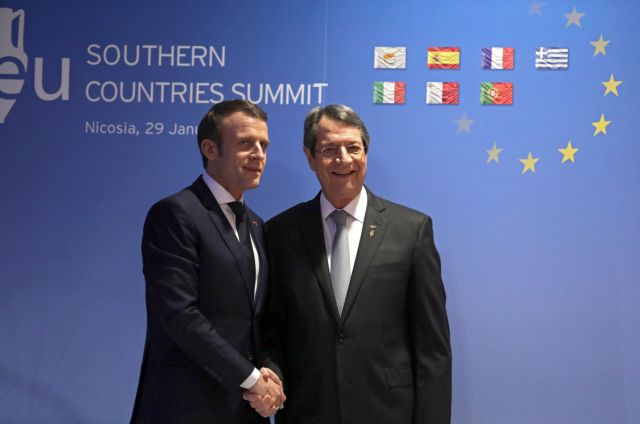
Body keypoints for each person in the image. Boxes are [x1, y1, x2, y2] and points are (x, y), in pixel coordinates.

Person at [257, 104, 451, 423]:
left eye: (353, 147)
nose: (344, 159)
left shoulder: (411, 231)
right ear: (310, 157)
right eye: (330, 149)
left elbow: (433, 350)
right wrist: (271, 374)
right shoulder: (280, 234)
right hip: (308, 411)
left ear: (366, 153)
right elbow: (272, 331)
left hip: (389, 412)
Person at [131, 99, 285, 423]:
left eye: (264, 144)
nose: (259, 154)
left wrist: (270, 373)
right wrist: (253, 379)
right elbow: (180, 315)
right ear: (210, 149)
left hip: (244, 409)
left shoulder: (257, 225)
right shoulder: (175, 214)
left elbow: (259, 320)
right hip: (185, 406)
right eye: (245, 143)